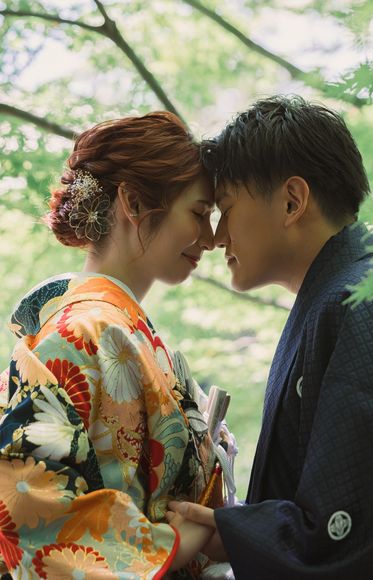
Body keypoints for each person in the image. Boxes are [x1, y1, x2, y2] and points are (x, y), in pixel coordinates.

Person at [169, 96, 373, 579]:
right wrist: (239, 534)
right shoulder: (345, 295)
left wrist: (244, 534)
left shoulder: (364, 301)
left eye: (227, 209)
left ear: (291, 201)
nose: (217, 238)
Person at [0, 112, 226, 577]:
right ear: (134, 202)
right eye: (199, 213)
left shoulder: (111, 328)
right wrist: (174, 543)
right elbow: (23, 496)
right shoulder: (84, 330)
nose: (209, 239)